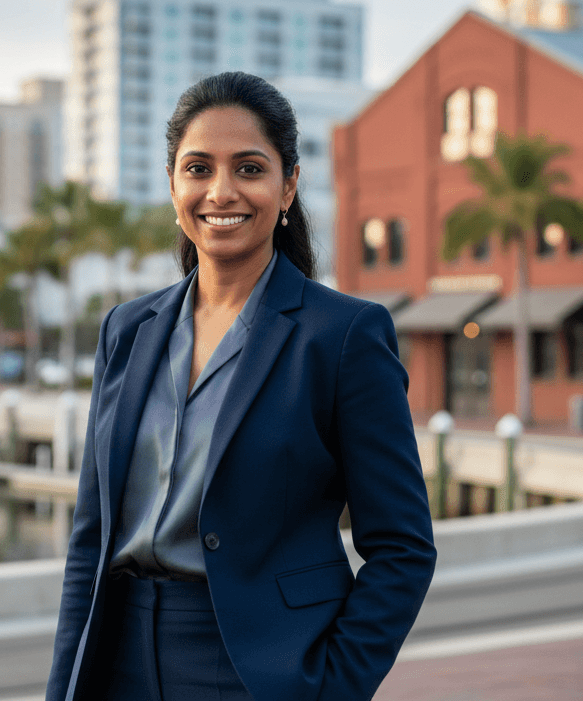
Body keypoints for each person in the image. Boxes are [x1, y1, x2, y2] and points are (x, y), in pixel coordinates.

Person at [46, 71, 435, 701]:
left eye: (249, 169)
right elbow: (90, 539)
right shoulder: (127, 329)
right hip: (117, 662)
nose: (220, 191)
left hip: (259, 670)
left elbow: (403, 548)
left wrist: (330, 690)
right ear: (172, 184)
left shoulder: (342, 336)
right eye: (198, 169)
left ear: (288, 186)